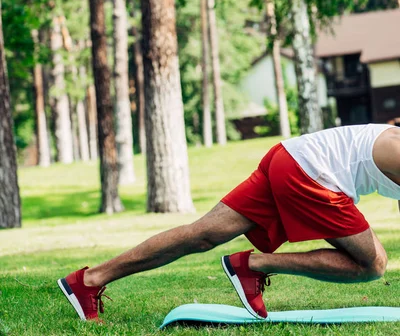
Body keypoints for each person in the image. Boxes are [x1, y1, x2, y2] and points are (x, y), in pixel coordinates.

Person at [58, 123, 400, 321]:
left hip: (289, 156)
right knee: (372, 264)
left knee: (204, 235)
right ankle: (253, 265)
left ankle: (88, 280)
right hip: (313, 173)